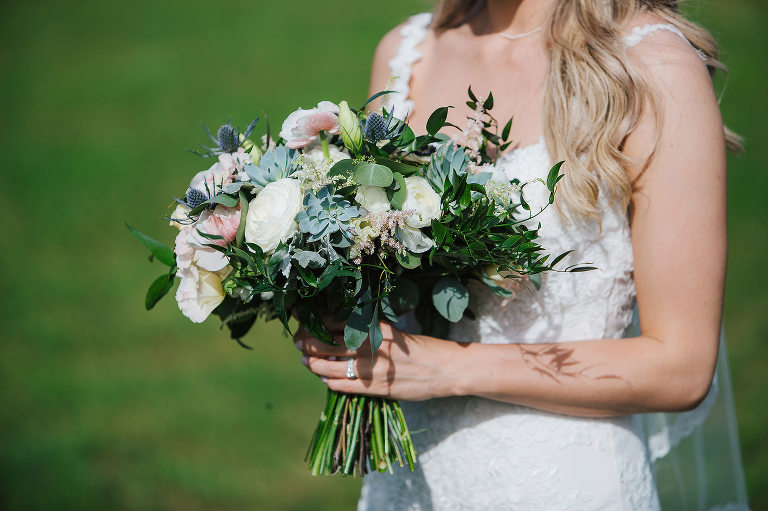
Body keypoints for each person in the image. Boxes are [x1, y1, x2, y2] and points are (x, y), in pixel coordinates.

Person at [294, 1, 747, 509]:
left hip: (563, 480)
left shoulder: (653, 67)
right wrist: (333, 305)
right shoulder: (407, 53)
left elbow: (680, 368)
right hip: (410, 480)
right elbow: (379, 252)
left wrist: (448, 369)